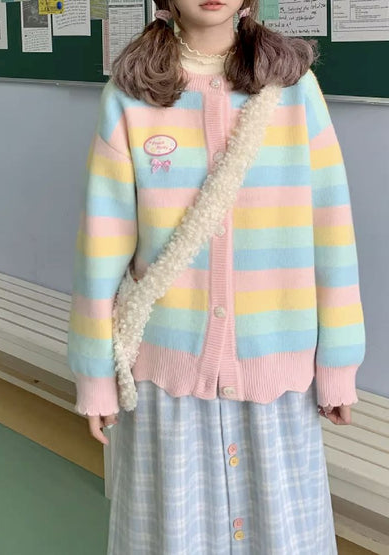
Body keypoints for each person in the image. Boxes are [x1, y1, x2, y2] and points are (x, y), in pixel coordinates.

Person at [67, 0, 366, 552]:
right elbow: (101, 245)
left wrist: (339, 362)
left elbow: (331, 229)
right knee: (170, 536)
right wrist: (94, 374)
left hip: (276, 372)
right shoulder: (131, 94)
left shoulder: (294, 89)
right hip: (166, 374)